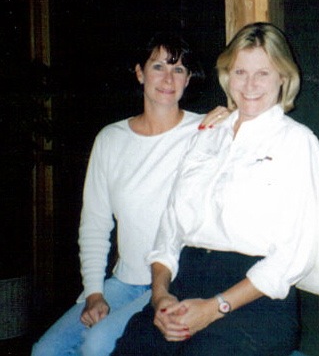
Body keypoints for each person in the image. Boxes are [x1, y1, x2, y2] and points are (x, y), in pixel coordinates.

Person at [112, 22, 319, 355]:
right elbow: (170, 229)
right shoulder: (207, 134)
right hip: (186, 284)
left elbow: (292, 255)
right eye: (240, 71)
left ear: (283, 78)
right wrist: (161, 296)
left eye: (264, 73)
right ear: (228, 76)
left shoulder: (297, 143)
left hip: (253, 301)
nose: (250, 84)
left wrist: (216, 307)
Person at [32, 33, 225, 356]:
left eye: (178, 69)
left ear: (189, 79)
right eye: (158, 66)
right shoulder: (111, 139)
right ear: (139, 73)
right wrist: (94, 293)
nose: (167, 78)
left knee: (97, 346)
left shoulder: (205, 132)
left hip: (174, 282)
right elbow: (94, 224)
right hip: (124, 281)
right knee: (46, 351)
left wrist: (231, 122)